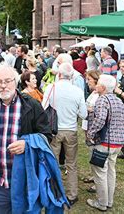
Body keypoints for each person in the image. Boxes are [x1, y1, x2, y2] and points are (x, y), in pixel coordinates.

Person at [0, 65, 51, 214]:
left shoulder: (31, 105)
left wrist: (28, 143)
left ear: (16, 81)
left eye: (7, 81)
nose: (3, 85)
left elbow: (47, 135)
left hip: (26, 181)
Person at [42, 63, 87, 205]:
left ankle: (55, 191)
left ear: (59, 75)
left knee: (53, 162)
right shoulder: (78, 91)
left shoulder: (51, 88)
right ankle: (72, 194)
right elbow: (84, 114)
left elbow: (43, 108)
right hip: (71, 129)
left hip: (54, 130)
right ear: (71, 75)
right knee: (71, 164)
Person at [86, 75, 124, 211]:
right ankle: (109, 201)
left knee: (100, 173)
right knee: (110, 171)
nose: (96, 86)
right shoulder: (118, 100)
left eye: (98, 84)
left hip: (105, 142)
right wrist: (119, 126)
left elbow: (100, 119)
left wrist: (90, 134)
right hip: (117, 143)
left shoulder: (102, 100)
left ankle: (102, 203)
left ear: (103, 88)